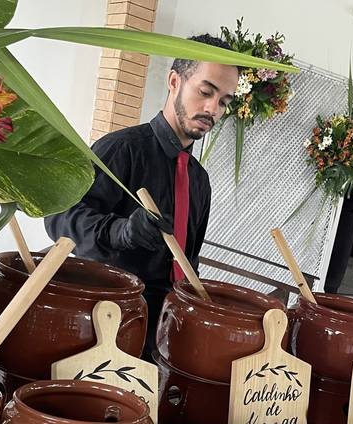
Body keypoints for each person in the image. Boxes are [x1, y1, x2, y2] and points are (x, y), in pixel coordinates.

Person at [44, 35, 240, 358]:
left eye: (223, 102)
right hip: (102, 330)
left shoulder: (199, 182)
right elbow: (59, 218)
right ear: (175, 81)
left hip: (161, 341)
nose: (212, 109)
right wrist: (120, 232)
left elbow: (188, 262)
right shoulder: (121, 150)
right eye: (205, 92)